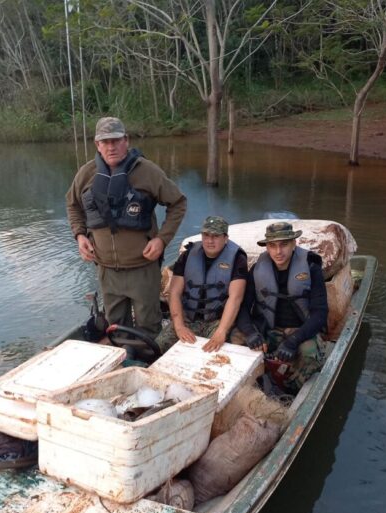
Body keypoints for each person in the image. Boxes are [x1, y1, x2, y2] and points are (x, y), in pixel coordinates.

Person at [66, 117, 187, 338]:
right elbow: (73, 205)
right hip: (106, 270)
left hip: (142, 267)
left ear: (126, 140)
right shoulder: (86, 174)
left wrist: (162, 239)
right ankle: (124, 361)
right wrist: (80, 235)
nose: (111, 147)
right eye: (105, 142)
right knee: (115, 327)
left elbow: (178, 203)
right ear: (97, 144)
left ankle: (148, 364)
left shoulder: (147, 171)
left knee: (149, 326)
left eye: (116, 140)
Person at [235, 221, 328, 393]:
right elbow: (242, 307)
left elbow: (320, 314)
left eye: (284, 244)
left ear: (294, 244)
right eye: (272, 246)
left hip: (301, 330)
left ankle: (291, 390)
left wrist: (293, 341)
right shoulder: (257, 270)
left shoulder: (311, 268)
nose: (278, 251)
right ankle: (253, 384)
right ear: (267, 248)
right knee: (235, 340)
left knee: (309, 353)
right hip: (268, 330)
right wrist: (250, 333)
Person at [156, 216, 248, 353]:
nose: (210, 241)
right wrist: (180, 326)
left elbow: (235, 298)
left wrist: (221, 331)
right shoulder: (187, 256)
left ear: (225, 238)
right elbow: (174, 293)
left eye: (215, 236)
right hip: (188, 318)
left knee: (214, 352)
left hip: (217, 320)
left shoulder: (237, 259)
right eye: (206, 235)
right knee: (160, 345)